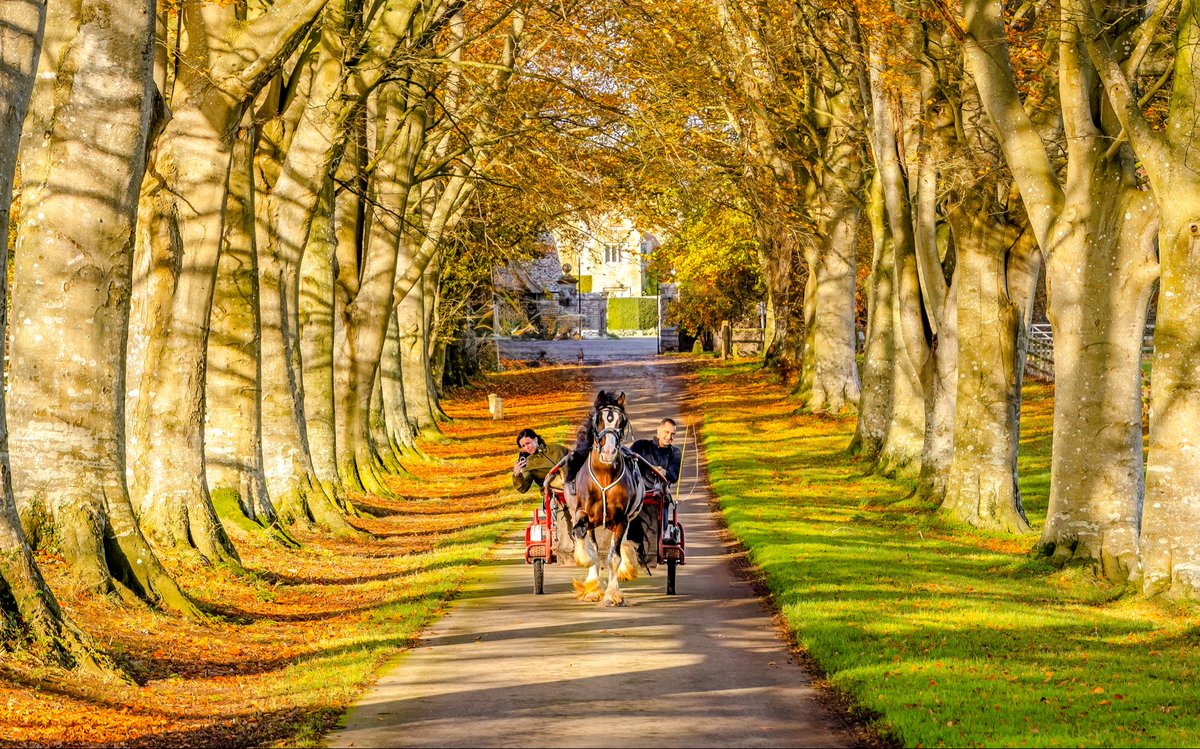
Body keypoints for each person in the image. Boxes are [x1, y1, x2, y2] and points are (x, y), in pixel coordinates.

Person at [628, 418, 682, 568]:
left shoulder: (675, 453)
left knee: (661, 513)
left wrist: (665, 472)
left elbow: (674, 475)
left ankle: (655, 543)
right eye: (666, 432)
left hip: (660, 496)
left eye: (673, 434)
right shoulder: (641, 446)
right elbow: (627, 461)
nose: (669, 437)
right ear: (658, 431)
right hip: (638, 493)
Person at [511, 428, 569, 494]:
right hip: (553, 495)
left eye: (528, 443)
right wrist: (517, 475)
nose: (527, 447)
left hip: (573, 485)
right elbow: (523, 489)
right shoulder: (528, 465)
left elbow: (577, 459)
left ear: (535, 439)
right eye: (523, 446)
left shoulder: (557, 449)